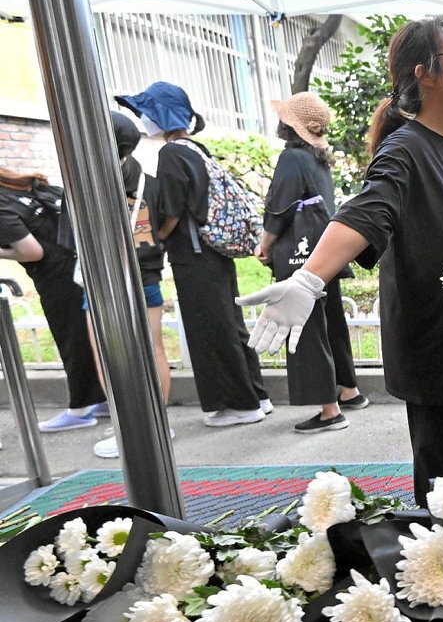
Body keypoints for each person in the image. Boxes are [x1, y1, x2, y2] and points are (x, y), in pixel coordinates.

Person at [238, 18, 443, 506]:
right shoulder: (406, 150)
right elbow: (366, 212)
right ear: (425, 74)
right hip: (436, 341)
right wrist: (308, 280)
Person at [116, 82, 271, 428]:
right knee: (231, 324)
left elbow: (172, 212)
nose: (143, 120)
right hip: (214, 252)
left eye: (146, 113)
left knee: (210, 329)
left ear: (161, 115)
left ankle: (240, 406)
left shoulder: (171, 154)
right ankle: (258, 396)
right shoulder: (196, 149)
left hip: (194, 254)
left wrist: (158, 237)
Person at [255, 92, 368, 434]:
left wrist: (265, 244)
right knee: (331, 320)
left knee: (307, 326)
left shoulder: (291, 157)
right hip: (326, 250)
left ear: (290, 125)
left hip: (299, 256)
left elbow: (279, 207)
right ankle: (349, 391)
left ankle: (329, 411)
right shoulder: (319, 157)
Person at [87, 111, 173, 458]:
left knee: (107, 352)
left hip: (102, 279)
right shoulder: (149, 182)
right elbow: (166, 223)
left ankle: (127, 430)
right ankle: (159, 423)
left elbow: (69, 239)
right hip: (146, 272)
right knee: (155, 348)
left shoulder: (88, 183)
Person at [0, 169, 106, 431]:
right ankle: (104, 398)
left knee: (72, 340)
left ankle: (80, 410)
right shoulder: (27, 186)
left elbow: (31, 252)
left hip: (57, 275)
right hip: (83, 264)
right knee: (91, 336)